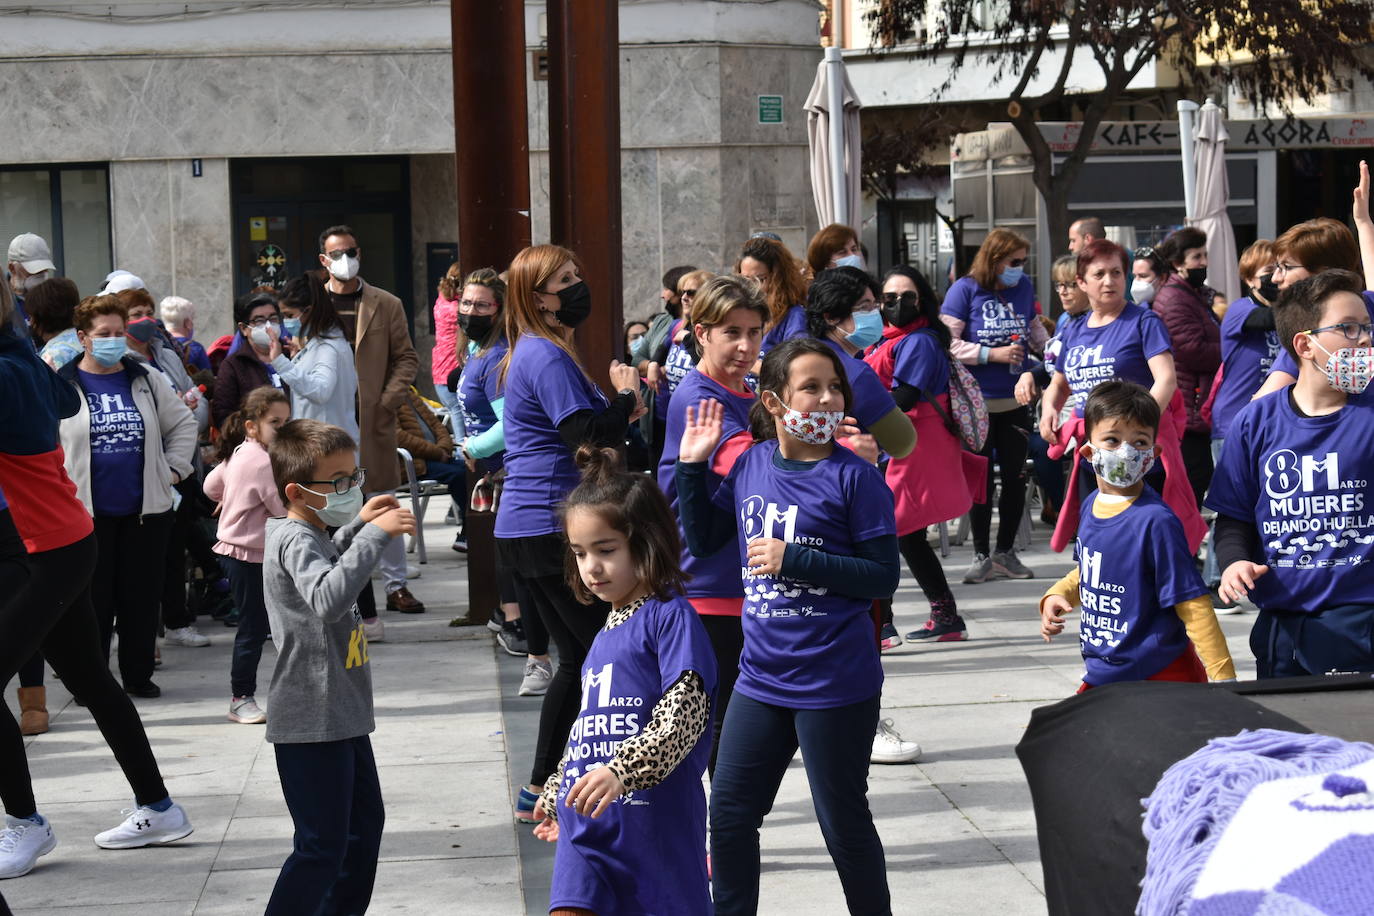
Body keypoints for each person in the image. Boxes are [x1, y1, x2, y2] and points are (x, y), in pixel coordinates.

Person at [676, 338, 899, 916]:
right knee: (728, 816)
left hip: (835, 683)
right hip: (760, 679)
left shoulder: (856, 478)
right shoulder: (751, 463)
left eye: (834, 388)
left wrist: (794, 558)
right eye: (811, 388)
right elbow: (703, 541)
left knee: (843, 825)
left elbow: (881, 578)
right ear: (774, 402)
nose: (826, 399)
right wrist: (691, 467)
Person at [0, 279, 194, 880]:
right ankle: (159, 807)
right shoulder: (21, 361)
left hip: (44, 550)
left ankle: (26, 824)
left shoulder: (11, 369)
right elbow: (62, 405)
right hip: (49, 546)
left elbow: (51, 407)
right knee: (91, 679)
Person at [495, 245, 645, 823]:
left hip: (530, 525)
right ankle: (586, 781)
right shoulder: (545, 356)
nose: (579, 286)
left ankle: (542, 787)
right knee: (603, 657)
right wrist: (627, 397)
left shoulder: (535, 351)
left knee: (580, 660)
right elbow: (582, 436)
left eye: (579, 275)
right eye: (566, 280)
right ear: (538, 297)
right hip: (550, 525)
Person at [532, 445, 717, 916]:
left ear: (647, 541)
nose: (590, 567)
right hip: (587, 821)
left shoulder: (670, 617)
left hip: (654, 821)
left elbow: (685, 711)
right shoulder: (603, 632)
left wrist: (623, 770)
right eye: (579, 553)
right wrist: (557, 790)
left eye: (605, 550)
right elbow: (587, 725)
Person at [262, 418, 415, 914]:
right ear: (297, 491)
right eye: (341, 482)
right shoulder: (293, 538)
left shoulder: (313, 532)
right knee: (322, 848)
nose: (352, 488)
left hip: (342, 716)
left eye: (355, 478)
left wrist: (356, 525)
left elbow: (328, 558)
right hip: (312, 719)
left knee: (360, 834)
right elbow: (327, 596)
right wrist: (373, 538)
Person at [1209, 270, 1374, 677]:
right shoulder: (1255, 421)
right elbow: (1234, 518)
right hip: (1280, 629)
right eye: (1349, 329)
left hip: (1361, 624)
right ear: (1305, 344)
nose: (1366, 340)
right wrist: (1232, 563)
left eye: (1368, 327)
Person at [1039, 381, 1236, 691]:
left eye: (1140, 441)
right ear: (1089, 452)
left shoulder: (1156, 522)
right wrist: (1058, 594)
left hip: (1160, 675)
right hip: (1104, 671)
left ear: (1155, 453)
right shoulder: (1091, 507)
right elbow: (1091, 569)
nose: (1126, 451)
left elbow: (1192, 603)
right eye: (1113, 440)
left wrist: (1224, 678)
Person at [57, 294, 197, 697]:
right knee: (91, 605)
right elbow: (47, 445)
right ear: (83, 337)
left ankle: (138, 676)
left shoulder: (145, 378)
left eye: (119, 333)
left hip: (146, 513)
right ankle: (91, 682)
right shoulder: (63, 385)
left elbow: (183, 426)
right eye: (104, 334)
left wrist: (172, 471)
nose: (114, 340)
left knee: (139, 601)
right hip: (85, 516)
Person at [656, 275, 766, 773]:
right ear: (701, 333)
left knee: (735, 721)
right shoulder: (700, 397)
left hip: (738, 576)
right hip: (706, 580)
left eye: (755, 332)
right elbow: (748, 464)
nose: (745, 346)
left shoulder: (746, 391)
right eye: (732, 333)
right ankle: (712, 839)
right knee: (715, 723)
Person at [1039, 240, 1205, 557]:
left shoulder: (1143, 321)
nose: (1109, 280)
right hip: (1093, 453)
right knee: (1099, 541)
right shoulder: (1074, 329)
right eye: (1099, 273)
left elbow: (1166, 380)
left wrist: (1137, 428)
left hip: (1139, 453)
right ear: (1081, 282)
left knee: (1148, 540)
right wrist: (1050, 409)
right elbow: (1059, 385)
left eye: (1116, 272)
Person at [865, 265, 976, 644]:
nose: (897, 304)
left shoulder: (919, 341)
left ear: (922, 299)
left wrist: (852, 414)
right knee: (904, 536)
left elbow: (905, 397)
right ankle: (943, 616)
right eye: (890, 298)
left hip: (912, 447)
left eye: (907, 297)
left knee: (886, 533)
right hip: (901, 445)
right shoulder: (892, 338)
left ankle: (882, 623)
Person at [317, 225, 422, 624]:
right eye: (337, 252)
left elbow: (406, 358)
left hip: (372, 419)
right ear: (323, 260)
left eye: (351, 250)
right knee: (335, 502)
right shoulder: (314, 305)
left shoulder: (385, 303)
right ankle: (337, 583)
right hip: (329, 423)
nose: (346, 258)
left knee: (382, 496)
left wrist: (387, 400)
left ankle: (396, 585)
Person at [451, 268, 549, 682]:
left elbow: (511, 423)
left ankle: (519, 626)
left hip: (512, 468)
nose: (471, 310)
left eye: (482, 305)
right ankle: (509, 616)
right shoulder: (476, 349)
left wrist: (473, 447)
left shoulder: (495, 357)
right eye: (467, 303)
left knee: (511, 551)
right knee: (503, 546)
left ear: (500, 309)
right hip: (493, 469)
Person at [941, 228, 1049, 583]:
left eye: (1023, 262)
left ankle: (1006, 553)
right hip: (977, 404)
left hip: (1016, 401)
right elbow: (947, 343)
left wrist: (1052, 354)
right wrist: (990, 354)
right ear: (994, 258)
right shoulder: (965, 290)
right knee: (981, 482)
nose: (1019, 268)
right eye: (1013, 262)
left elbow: (1035, 332)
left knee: (1016, 479)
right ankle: (981, 555)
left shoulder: (1023, 289)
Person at [204, 387, 290, 725]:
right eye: (275, 423)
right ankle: (241, 698)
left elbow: (211, 486)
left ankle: (249, 695)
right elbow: (282, 509)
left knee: (260, 626)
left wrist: (233, 497)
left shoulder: (241, 452)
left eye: (286, 421)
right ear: (252, 426)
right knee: (254, 629)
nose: (283, 429)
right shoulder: (263, 460)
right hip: (250, 554)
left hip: (239, 551)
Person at [1201, 240, 1279, 604]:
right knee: (1231, 504)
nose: (1277, 280)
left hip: (1270, 422)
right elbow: (1269, 319)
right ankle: (1218, 583)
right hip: (1232, 422)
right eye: (1268, 275)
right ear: (1250, 279)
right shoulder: (1238, 310)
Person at [804, 267, 917, 460]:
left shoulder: (795, 353)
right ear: (830, 316)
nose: (875, 314)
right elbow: (902, 442)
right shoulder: (854, 373)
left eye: (875, 306)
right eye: (865, 308)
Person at [1254, 216, 1369, 398]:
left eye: (1286, 267)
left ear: (1323, 273)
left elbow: (1262, 403)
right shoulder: (1366, 301)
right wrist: (1363, 223)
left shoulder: (1314, 332)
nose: (1275, 278)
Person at [1151, 226, 1222, 509]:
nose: (1203, 262)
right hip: (1187, 404)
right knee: (1191, 485)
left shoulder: (1192, 293)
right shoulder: (1174, 299)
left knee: (1196, 481)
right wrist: (1232, 350)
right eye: (1196, 257)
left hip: (1195, 403)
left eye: (1205, 255)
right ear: (1178, 263)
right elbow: (1194, 351)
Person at [271, 272, 360, 440]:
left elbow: (320, 391)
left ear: (309, 311)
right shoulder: (323, 343)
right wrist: (299, 359)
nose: (286, 322)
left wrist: (280, 362)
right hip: (326, 444)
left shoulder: (328, 347)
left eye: (290, 315)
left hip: (328, 449)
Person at [395, 385, 466, 556]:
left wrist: (443, 447)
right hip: (412, 464)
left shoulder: (409, 394)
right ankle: (468, 534)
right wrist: (437, 452)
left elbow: (436, 424)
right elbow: (398, 437)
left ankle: (472, 531)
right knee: (460, 475)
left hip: (435, 457)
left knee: (473, 470)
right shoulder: (386, 399)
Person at [214, 291, 287, 427]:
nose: (268, 326)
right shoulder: (233, 365)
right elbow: (223, 415)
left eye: (273, 318)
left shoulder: (291, 354)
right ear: (243, 328)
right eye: (259, 320)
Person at [739, 235, 811, 360]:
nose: (751, 287)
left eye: (760, 279)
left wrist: (746, 362)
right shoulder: (741, 312)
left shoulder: (794, 316)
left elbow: (797, 366)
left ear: (778, 278)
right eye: (745, 280)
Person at [431, 261, 464, 417]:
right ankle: (459, 440)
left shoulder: (441, 300)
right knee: (457, 409)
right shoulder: (457, 309)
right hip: (451, 366)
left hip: (440, 365)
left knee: (455, 409)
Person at [27, 277, 82, 370]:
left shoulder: (52, 356)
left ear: (42, 315)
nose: (31, 322)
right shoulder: (85, 340)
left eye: (31, 316)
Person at [6, 232, 55, 327]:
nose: (40, 276)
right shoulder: (3, 301)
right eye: (33, 270)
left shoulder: (53, 299)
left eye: (44, 269)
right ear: (12, 268)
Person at [159, 295, 211, 372]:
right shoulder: (196, 349)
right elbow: (208, 380)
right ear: (188, 323)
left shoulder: (157, 344)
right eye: (193, 319)